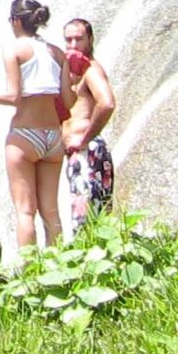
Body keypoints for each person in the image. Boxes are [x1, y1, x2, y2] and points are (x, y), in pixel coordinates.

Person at [0, 0, 69, 251]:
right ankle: (62, 268)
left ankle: (29, 273)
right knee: (51, 212)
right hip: (53, 138)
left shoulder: (13, 50)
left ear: (15, 21)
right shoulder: (58, 53)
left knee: (25, 211)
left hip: (25, 135)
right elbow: (68, 100)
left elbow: (13, 96)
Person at [61, 16, 118, 230]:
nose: (73, 45)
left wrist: (85, 139)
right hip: (78, 154)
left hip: (88, 152)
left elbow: (107, 103)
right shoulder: (71, 74)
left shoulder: (90, 69)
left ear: (91, 40)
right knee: (89, 218)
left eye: (79, 39)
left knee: (87, 220)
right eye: (68, 40)